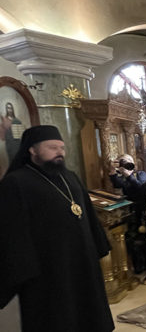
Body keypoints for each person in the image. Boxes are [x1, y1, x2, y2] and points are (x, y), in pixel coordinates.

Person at [0, 125, 114, 332]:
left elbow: (87, 214)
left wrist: (97, 245)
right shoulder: (15, 182)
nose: (59, 152)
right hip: (48, 269)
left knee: (89, 314)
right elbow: (13, 232)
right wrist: (25, 270)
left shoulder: (70, 176)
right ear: (32, 150)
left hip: (82, 261)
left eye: (62, 148)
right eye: (52, 147)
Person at [108, 154, 146, 273]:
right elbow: (117, 184)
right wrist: (113, 170)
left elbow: (141, 187)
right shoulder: (121, 176)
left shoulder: (141, 174)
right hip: (130, 211)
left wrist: (128, 175)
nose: (127, 163)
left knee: (145, 237)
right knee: (132, 239)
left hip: (142, 210)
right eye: (124, 162)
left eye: (130, 161)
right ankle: (137, 266)